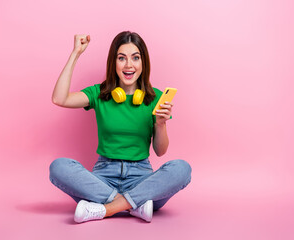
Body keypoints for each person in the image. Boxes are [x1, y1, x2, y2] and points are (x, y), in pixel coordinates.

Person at [49, 31, 192, 223]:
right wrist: (76, 53)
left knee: (182, 169)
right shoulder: (99, 93)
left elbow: (160, 151)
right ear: (113, 63)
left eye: (135, 58)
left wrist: (160, 123)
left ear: (143, 63)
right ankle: (134, 205)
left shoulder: (155, 98)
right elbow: (59, 98)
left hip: (141, 178)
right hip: (102, 178)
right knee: (58, 167)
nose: (128, 65)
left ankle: (105, 209)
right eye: (121, 58)